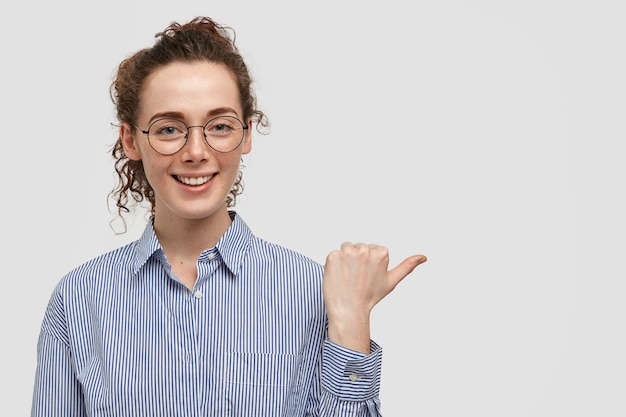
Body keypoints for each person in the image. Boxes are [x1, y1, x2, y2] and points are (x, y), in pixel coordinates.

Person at [31, 16, 427, 417]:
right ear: (132, 139)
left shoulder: (314, 291)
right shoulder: (79, 299)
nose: (196, 151)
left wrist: (351, 322)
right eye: (169, 129)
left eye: (219, 125)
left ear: (247, 133)